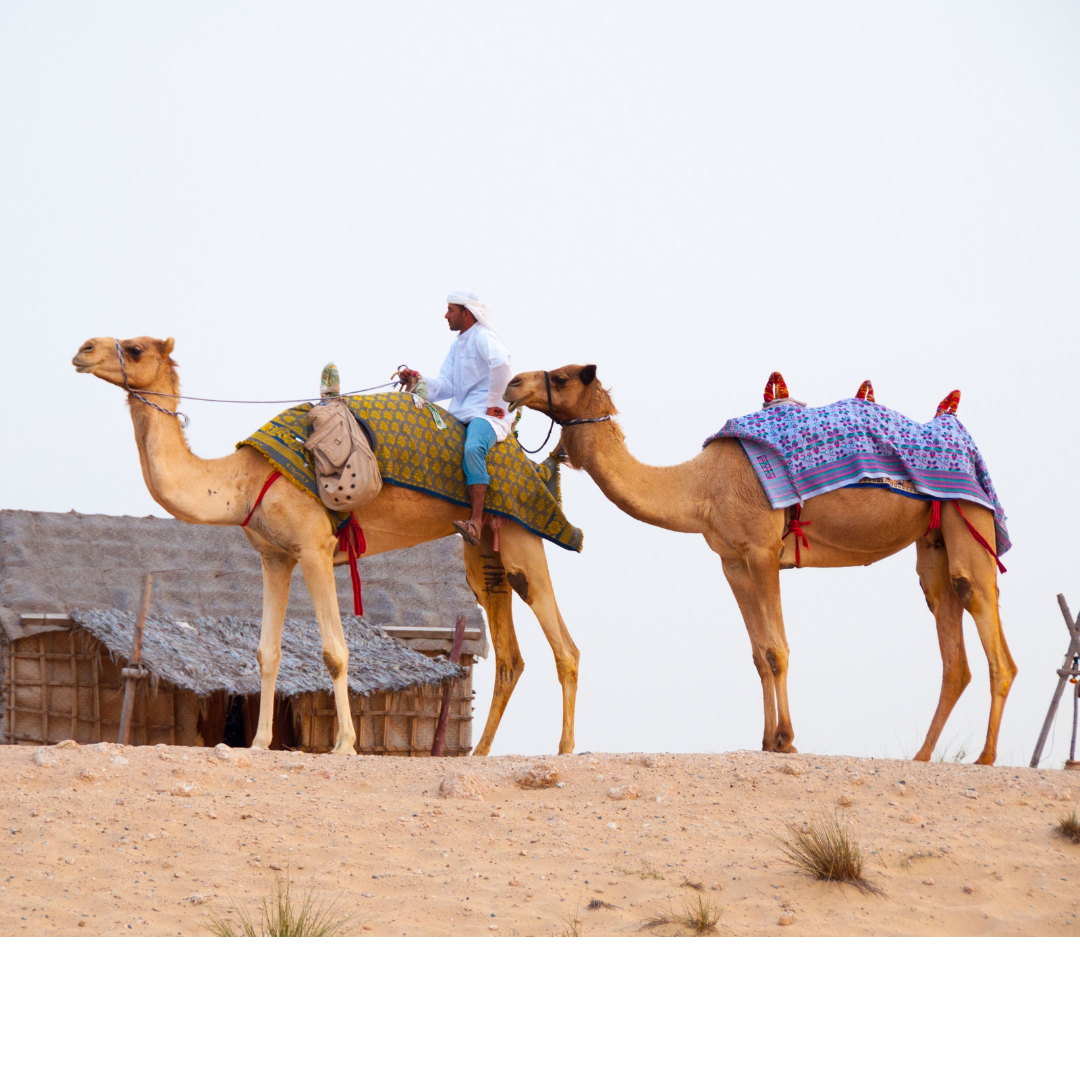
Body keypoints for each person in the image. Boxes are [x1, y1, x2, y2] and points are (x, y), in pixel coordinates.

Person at [394, 290, 513, 546]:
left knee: (473, 448)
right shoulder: (457, 345)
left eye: (451, 310)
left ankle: (477, 522)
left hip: (485, 414)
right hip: (461, 412)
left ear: (467, 313)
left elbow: (502, 362)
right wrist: (419, 381)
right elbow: (447, 385)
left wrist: (494, 404)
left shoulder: (483, 336)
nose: (446, 315)